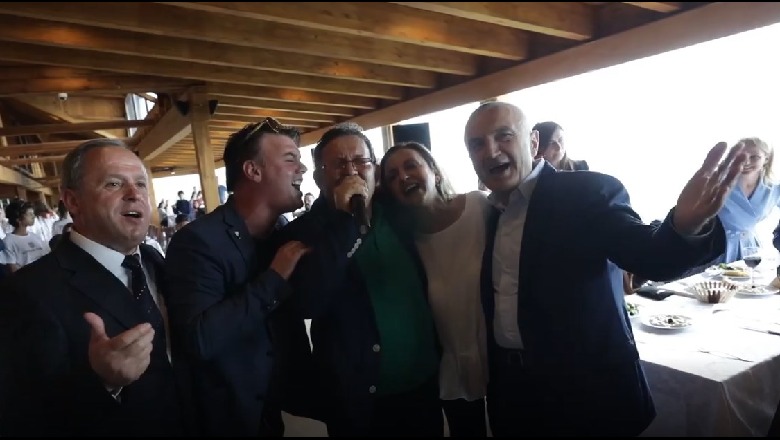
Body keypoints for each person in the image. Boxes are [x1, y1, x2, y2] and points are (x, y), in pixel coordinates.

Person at [463, 101, 742, 437]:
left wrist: (685, 226)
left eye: (504, 136)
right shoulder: (484, 213)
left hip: (586, 397)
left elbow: (650, 256)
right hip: (514, 395)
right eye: (477, 144)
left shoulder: (586, 193)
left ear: (533, 142)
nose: (491, 151)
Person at [0, 139, 181, 436]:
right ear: (73, 202)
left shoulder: (154, 260)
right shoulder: (26, 292)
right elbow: (20, 413)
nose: (134, 194)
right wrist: (104, 382)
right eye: (114, 184)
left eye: (140, 184)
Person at [280, 123, 443, 437]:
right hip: (357, 397)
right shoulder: (301, 233)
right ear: (319, 177)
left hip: (422, 387)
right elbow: (307, 302)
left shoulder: (398, 213)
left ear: (375, 170)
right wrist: (346, 222)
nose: (351, 171)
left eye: (360, 161)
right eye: (338, 164)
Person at [164, 117, 315, 436]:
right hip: (222, 419)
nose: (302, 169)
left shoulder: (281, 233)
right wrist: (273, 279)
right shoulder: (198, 241)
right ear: (253, 171)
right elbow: (200, 339)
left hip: (271, 412)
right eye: (290, 159)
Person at [379, 141, 491, 437]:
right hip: (450, 364)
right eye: (392, 176)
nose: (403, 177)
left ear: (435, 172)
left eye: (411, 166)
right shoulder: (407, 242)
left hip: (499, 354)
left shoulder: (479, 206)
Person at [715, 137, 780, 263]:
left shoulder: (774, 188)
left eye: (754, 157)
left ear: (766, 159)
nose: (746, 162)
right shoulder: (719, 184)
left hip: (749, 249)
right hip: (716, 246)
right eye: (741, 156)